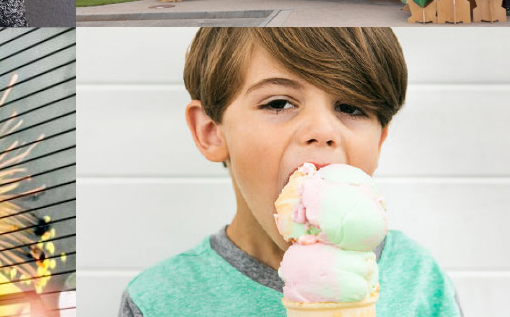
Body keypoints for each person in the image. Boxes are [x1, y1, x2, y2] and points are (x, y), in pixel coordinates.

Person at [119, 28, 462, 317]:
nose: (322, 129)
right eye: (279, 103)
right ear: (212, 132)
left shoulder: (419, 281)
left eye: (351, 107)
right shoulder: (156, 300)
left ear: (380, 142)